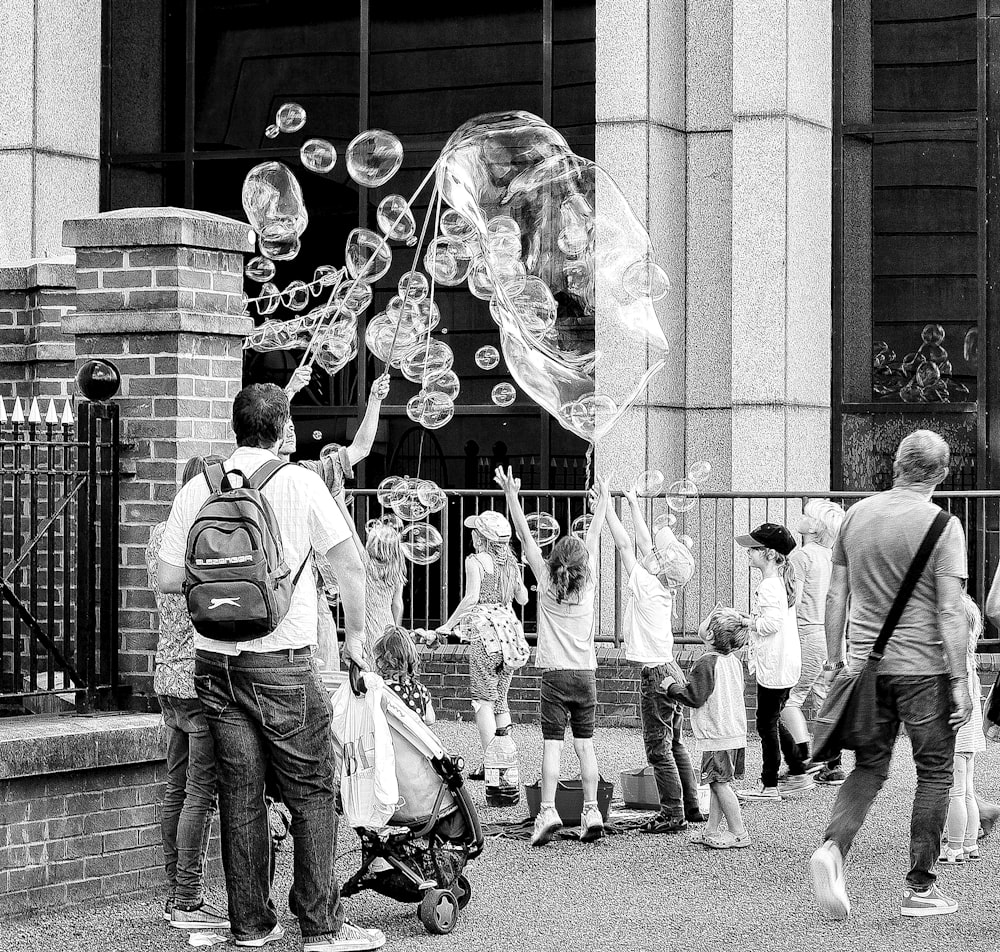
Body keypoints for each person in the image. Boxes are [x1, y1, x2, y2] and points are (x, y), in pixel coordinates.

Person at [157, 383, 383, 952]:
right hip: (282, 660)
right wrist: (356, 637)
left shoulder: (197, 489)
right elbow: (351, 566)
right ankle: (321, 927)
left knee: (241, 793)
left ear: (235, 429)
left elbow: (164, 579)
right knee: (311, 790)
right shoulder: (301, 483)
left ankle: (251, 926)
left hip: (214, 664)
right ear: (282, 430)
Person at [809, 429, 972, 921]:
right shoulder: (944, 526)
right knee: (935, 773)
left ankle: (833, 849)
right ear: (941, 474)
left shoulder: (856, 515)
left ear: (895, 464)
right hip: (925, 669)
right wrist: (961, 678)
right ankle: (919, 889)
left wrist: (836, 657)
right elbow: (949, 611)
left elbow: (836, 595)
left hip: (866, 666)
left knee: (868, 768)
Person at [495, 466, 610, 846]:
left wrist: (512, 495)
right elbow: (592, 537)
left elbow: (526, 538)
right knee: (585, 745)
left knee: (552, 745)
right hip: (586, 676)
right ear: (583, 567)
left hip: (554, 676)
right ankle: (592, 809)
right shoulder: (588, 587)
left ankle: (547, 810)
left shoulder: (545, 581)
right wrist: (603, 503)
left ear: (554, 559)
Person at [146, 455, 227, 930]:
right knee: (200, 793)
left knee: (174, 788)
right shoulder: (207, 537)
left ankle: (171, 891)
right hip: (198, 675)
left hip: (166, 674)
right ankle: (189, 897)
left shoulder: (159, 536)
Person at [604, 482, 702, 833]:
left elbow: (626, 545)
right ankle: (691, 807)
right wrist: (631, 503)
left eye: (660, 555)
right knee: (675, 743)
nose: (654, 553)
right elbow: (643, 545)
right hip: (670, 666)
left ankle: (672, 813)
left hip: (655, 675)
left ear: (660, 567)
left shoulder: (646, 586)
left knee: (657, 749)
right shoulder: (663, 585)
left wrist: (607, 507)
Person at [281, 367, 390, 672]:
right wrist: (288, 392)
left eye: (293, 424)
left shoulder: (310, 473)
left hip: (310, 601)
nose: (291, 429)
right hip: (275, 601)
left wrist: (374, 400)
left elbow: (361, 448)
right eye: (284, 423)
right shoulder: (254, 474)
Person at [435, 509, 529, 773]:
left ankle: (491, 765)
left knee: (482, 701)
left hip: (485, 636)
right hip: (509, 638)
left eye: (476, 532)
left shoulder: (475, 561)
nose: (473, 535)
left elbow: (471, 598)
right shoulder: (511, 564)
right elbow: (522, 599)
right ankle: (507, 762)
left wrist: (448, 624)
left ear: (482, 538)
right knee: (500, 699)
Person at [662, 605, 750, 849]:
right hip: (733, 732)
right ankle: (711, 829)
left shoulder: (705, 662)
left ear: (710, 635)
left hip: (716, 735)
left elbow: (695, 697)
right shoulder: (732, 661)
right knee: (715, 784)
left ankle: (738, 832)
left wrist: (672, 687)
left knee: (720, 785)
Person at [779, 500, 847, 788]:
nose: (802, 519)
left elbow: (792, 599)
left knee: (791, 697)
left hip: (807, 632)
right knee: (824, 695)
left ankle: (802, 759)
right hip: (831, 632)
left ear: (817, 526)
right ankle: (833, 764)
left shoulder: (802, 557)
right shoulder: (835, 557)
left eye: (807, 516)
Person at [734, 523, 803, 802]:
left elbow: (771, 623)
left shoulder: (769, 585)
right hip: (784, 664)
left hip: (775, 666)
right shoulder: (779, 583)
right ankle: (798, 768)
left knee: (765, 724)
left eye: (754, 549)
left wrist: (746, 621)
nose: (749, 553)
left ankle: (770, 785)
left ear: (770, 553)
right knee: (771, 720)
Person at [940, 595, 986, 865]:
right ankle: (969, 843)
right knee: (967, 790)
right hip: (970, 737)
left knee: (955, 793)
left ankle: (954, 847)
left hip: (955, 737)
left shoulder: (951, 664)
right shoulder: (970, 660)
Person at [361, 519, 407, 669]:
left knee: (367, 671)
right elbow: (397, 604)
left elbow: (353, 536)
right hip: (387, 624)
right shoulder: (397, 567)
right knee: (385, 670)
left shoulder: (365, 563)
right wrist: (395, 629)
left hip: (367, 624)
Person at [373, 625, 435, 726]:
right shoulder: (420, 689)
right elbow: (430, 719)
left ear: (382, 661)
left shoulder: (379, 689)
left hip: (387, 739)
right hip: (414, 740)